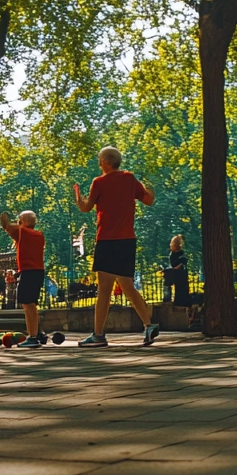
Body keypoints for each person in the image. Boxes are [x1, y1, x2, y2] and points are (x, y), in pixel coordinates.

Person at [74, 145, 159, 347]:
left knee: (104, 290)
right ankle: (149, 324)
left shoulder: (99, 182)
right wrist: (151, 187)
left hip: (107, 240)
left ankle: (98, 335)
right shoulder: (129, 178)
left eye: (99, 159)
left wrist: (78, 196)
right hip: (127, 240)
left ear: (104, 162)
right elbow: (148, 200)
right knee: (128, 286)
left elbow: (86, 208)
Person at [0, 211, 47, 348]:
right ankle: (37, 333)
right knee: (31, 304)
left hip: (28, 271)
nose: (18, 222)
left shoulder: (23, 232)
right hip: (38, 270)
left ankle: (32, 337)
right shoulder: (39, 235)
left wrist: (5, 218)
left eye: (19, 220)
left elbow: (6, 226)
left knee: (27, 305)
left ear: (24, 221)